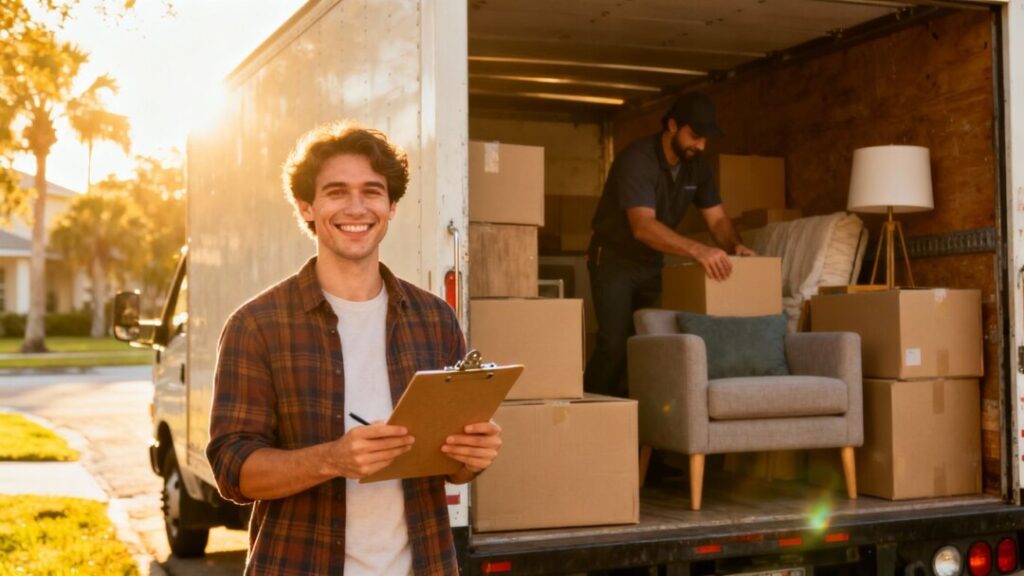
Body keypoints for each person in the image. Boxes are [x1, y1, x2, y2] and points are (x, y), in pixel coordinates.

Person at [207, 121, 502, 575]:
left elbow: (451, 469)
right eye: (336, 192)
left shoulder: (433, 318)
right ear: (307, 207)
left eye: (372, 191)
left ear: (391, 206)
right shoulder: (257, 325)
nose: (357, 207)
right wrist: (333, 459)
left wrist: (471, 459)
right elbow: (232, 469)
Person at [585, 92, 755, 398]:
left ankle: (654, 434)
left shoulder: (698, 167)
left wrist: (736, 246)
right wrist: (699, 250)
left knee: (656, 343)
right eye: (695, 136)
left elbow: (717, 220)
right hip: (613, 261)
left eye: (705, 139)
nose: (701, 145)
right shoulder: (636, 160)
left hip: (652, 262)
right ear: (673, 125)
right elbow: (643, 226)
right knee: (614, 344)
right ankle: (590, 422)